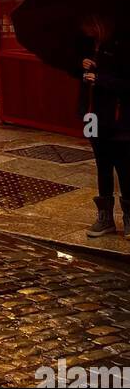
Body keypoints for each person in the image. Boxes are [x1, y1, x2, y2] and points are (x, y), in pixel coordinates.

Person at [81, 14, 130, 239]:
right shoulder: (91, 45)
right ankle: (105, 217)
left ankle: (129, 218)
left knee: (124, 167)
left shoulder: (123, 46)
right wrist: (83, 66)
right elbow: (81, 77)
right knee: (102, 165)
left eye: (88, 24)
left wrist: (100, 78)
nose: (84, 28)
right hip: (93, 117)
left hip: (119, 118)